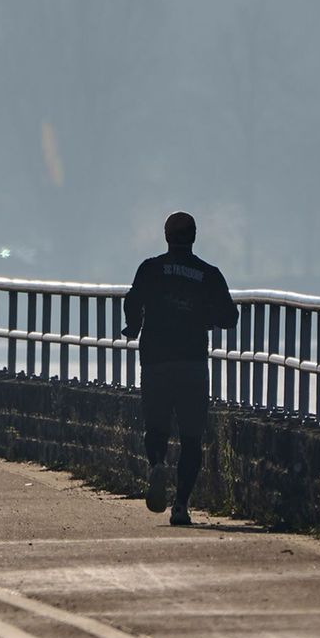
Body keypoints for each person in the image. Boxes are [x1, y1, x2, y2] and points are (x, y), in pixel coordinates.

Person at [121, 212, 238, 525]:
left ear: (166, 236)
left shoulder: (151, 269)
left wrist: (133, 327)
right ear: (195, 236)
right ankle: (181, 505)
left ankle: (157, 463)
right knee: (191, 437)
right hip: (192, 363)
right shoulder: (208, 274)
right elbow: (230, 317)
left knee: (155, 426)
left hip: (156, 361)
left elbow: (132, 301)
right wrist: (207, 317)